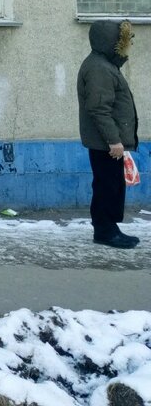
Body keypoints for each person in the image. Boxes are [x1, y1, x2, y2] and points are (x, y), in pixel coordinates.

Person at [77, 19, 140, 249]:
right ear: (109, 42)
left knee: (111, 185)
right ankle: (105, 232)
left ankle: (110, 229)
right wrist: (114, 140)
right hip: (105, 142)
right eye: (119, 42)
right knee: (107, 186)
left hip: (106, 142)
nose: (124, 47)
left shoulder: (104, 65)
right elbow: (99, 108)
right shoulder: (99, 68)